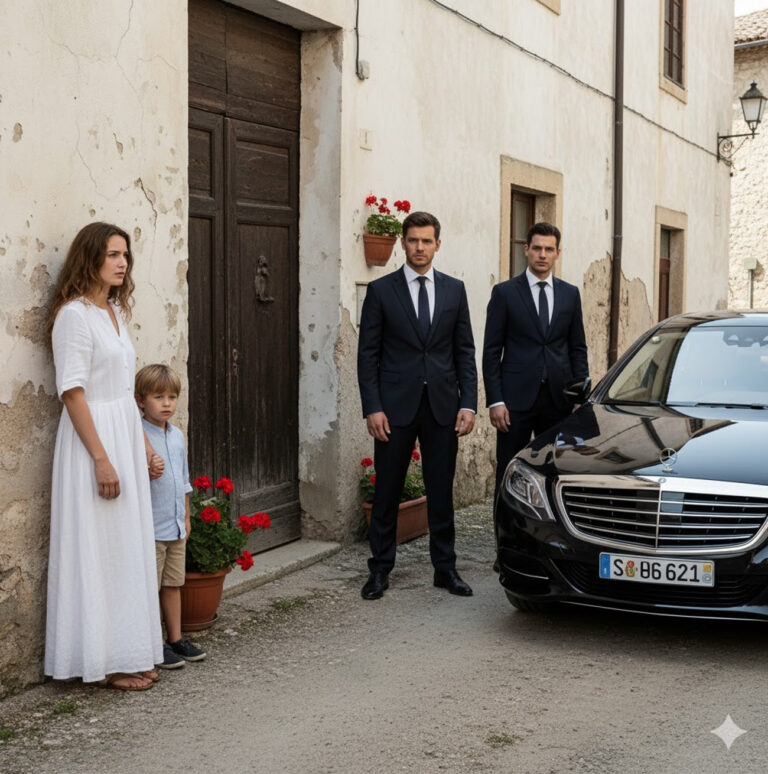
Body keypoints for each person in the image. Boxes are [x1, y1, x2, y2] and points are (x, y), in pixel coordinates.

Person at [45, 222, 164, 691]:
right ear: (90, 257)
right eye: (113, 254)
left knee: (124, 549)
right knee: (98, 550)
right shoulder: (73, 317)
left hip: (122, 436)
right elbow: (72, 392)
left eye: (125, 255)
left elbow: (121, 390)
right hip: (91, 442)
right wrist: (101, 458)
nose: (122, 263)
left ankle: (128, 651)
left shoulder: (113, 310)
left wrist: (143, 447)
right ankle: (103, 661)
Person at [357, 211, 478, 600]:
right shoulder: (382, 291)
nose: (419, 247)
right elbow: (367, 355)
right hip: (394, 408)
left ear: (437, 244)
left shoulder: (455, 290)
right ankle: (379, 570)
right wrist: (372, 407)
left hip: (442, 406)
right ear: (403, 243)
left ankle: (445, 569)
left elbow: (464, 351)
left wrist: (469, 403)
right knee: (387, 490)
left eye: (426, 241)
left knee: (441, 490)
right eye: (413, 240)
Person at [482, 221, 589, 496]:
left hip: (559, 400)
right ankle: (506, 522)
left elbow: (577, 348)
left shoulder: (570, 294)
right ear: (526, 249)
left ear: (557, 253)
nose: (543, 254)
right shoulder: (505, 293)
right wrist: (496, 400)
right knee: (509, 468)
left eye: (549, 249)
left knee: (556, 471)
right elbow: (492, 351)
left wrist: (580, 397)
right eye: (537, 248)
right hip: (514, 402)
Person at [135, 364, 207, 669]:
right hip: (151, 529)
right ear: (140, 401)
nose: (167, 404)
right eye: (158, 397)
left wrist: (187, 517)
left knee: (173, 584)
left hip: (175, 526)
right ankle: (153, 645)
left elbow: (184, 481)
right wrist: (146, 468)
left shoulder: (176, 436)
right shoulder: (138, 435)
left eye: (172, 397)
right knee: (149, 589)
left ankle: (176, 639)